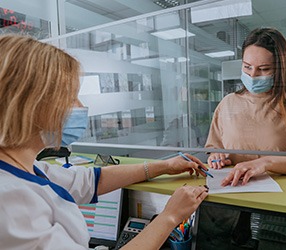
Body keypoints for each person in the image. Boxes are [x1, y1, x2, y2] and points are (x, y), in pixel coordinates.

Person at [0, 34, 208, 250]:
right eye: (71, 97)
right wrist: (170, 217)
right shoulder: (9, 201)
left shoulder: (27, 169)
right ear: (29, 105)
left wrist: (164, 166)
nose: (80, 106)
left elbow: (92, 181)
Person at [197, 27, 286, 250]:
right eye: (247, 67)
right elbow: (213, 147)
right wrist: (216, 156)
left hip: (280, 212)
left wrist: (265, 162)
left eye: (263, 69)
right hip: (228, 208)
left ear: (280, 69)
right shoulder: (228, 103)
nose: (252, 76)